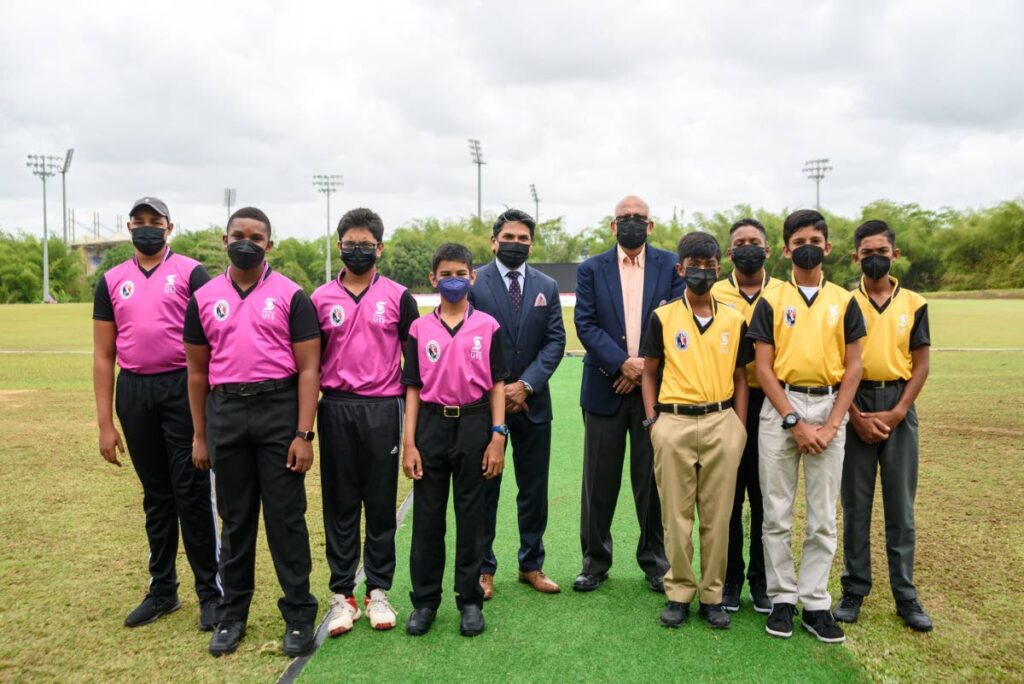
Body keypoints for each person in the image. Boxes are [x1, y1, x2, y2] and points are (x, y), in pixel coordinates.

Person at [184, 207, 320, 657]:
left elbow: (308, 369)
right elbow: (197, 372)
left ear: (269, 245)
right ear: (225, 240)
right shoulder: (204, 296)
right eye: (238, 235)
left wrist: (304, 432)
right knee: (236, 520)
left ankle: (299, 614)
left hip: (278, 410)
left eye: (256, 237)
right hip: (226, 411)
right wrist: (201, 435)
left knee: (285, 520)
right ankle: (232, 615)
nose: (247, 242)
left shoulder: (291, 295)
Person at [92, 196, 222, 631]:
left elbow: (212, 337)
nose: (147, 228)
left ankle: (210, 592)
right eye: (139, 221)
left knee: (191, 491)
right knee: (157, 495)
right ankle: (163, 590)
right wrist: (105, 423)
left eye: (156, 222)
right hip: (134, 391)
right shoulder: (111, 280)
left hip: (181, 387)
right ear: (129, 226)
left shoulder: (190, 272)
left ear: (169, 228)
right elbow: (102, 354)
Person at [746, 209, 865, 644]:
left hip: (831, 404)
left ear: (828, 247)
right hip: (783, 406)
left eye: (815, 239)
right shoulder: (771, 300)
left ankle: (815, 602)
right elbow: (762, 367)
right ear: (786, 249)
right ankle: (781, 599)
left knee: (822, 518)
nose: (807, 247)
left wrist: (833, 424)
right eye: (799, 242)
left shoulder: (845, 300)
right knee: (776, 512)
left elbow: (854, 368)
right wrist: (793, 421)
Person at [312, 208, 419, 635]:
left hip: (383, 407)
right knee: (339, 502)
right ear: (339, 246)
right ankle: (343, 596)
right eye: (350, 244)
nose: (358, 251)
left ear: (380, 247)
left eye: (366, 245)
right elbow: (307, 364)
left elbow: (414, 370)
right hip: (335, 406)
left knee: (379, 503)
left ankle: (378, 592)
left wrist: (413, 429)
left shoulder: (399, 296)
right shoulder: (319, 299)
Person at [640, 232, 752, 630]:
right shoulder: (664, 316)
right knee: (676, 516)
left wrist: (738, 426)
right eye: (694, 265)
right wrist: (655, 422)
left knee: (719, 517)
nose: (701, 272)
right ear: (680, 268)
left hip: (722, 421)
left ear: (718, 268)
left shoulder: (734, 319)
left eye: (709, 266)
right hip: (674, 423)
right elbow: (649, 372)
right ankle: (679, 592)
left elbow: (741, 377)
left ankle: (712, 595)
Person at [573, 195, 682, 593]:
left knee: (652, 481)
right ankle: (595, 562)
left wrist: (641, 371)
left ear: (650, 226)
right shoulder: (591, 269)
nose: (632, 223)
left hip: (654, 391)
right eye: (625, 218)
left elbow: (676, 320)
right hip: (604, 388)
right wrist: (622, 364)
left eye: (639, 218)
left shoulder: (672, 266)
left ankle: (655, 561)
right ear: (612, 225)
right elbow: (585, 324)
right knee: (598, 482)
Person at [401, 243, 509, 637]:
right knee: (427, 519)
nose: (453, 281)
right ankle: (425, 602)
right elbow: (412, 388)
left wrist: (498, 436)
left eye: (460, 274)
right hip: (430, 425)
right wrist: (409, 442)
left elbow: (498, 384)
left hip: (475, 425)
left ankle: (469, 601)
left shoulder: (488, 326)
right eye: (445, 274)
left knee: (472, 518)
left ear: (472, 277)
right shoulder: (419, 329)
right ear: (432, 279)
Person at [833, 220, 933, 632]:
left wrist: (896, 412)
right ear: (855, 256)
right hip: (853, 403)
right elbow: (836, 362)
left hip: (898, 405)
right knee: (855, 505)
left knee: (900, 508)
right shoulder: (842, 302)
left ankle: (905, 596)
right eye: (866, 251)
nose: (874, 258)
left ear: (894, 254)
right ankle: (855, 588)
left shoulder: (915, 302)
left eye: (881, 251)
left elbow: (921, 363)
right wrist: (854, 415)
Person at [470, 209, 566, 599]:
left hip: (532, 403)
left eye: (523, 238)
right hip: (485, 405)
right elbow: (469, 340)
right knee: (485, 488)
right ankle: (483, 568)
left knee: (533, 487)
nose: (516, 243)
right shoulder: (475, 282)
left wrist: (525, 385)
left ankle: (531, 564)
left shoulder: (547, 284)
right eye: (508, 236)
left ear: (531, 243)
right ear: (494, 241)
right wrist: (500, 390)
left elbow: (555, 341)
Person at [710, 217, 783, 615]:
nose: (748, 247)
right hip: (727, 403)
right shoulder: (715, 292)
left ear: (768, 250)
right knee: (729, 496)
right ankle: (730, 578)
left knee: (766, 496)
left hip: (773, 404)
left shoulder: (784, 293)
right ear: (728, 252)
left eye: (755, 242)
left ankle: (761, 580)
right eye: (740, 242)